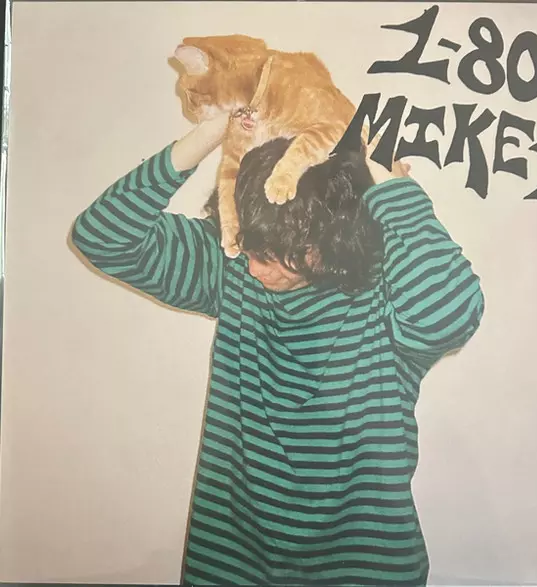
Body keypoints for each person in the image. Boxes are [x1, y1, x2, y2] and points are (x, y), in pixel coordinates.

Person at [71, 111, 484, 586]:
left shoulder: (388, 295)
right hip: (231, 564)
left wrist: (392, 188)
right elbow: (101, 237)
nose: (254, 268)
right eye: (248, 246)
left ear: (327, 238)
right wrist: (214, 132)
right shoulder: (231, 269)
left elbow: (451, 317)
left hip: (362, 566)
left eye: (270, 255)